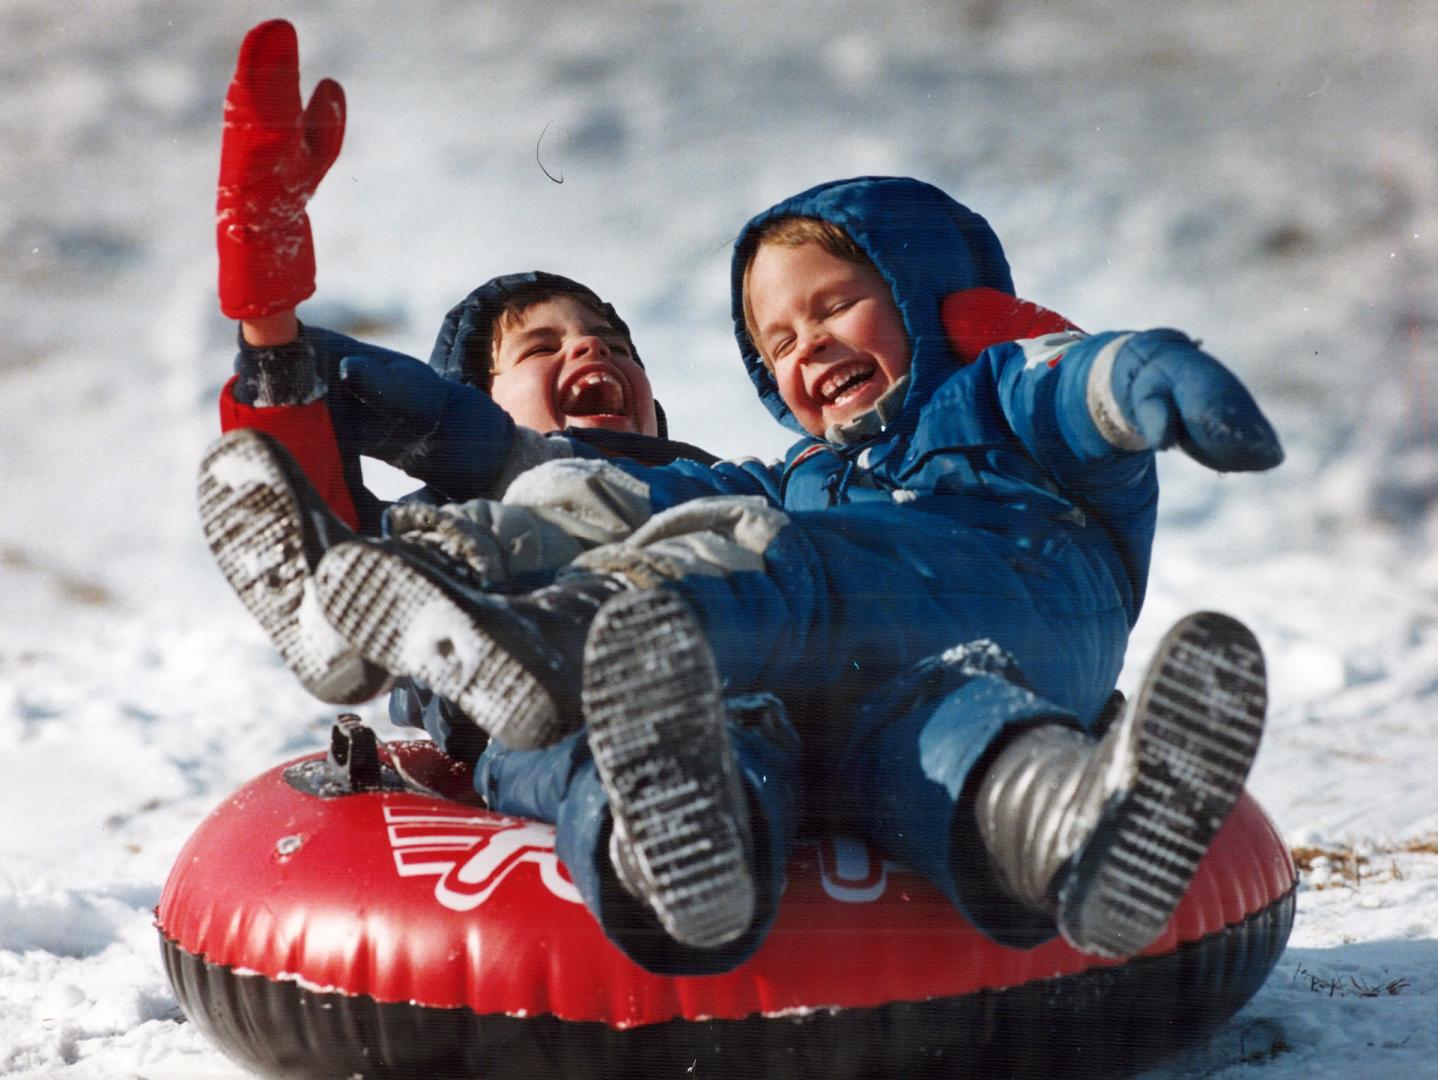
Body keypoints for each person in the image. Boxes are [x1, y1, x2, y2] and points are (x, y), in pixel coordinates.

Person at [246, 175, 1280, 972]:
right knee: (870, 733)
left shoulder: (855, 449)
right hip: (825, 675)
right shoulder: (773, 473)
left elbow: (1065, 376)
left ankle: (528, 627)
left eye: (837, 307)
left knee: (736, 554)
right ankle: (1055, 823)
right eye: (780, 337)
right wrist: (285, 355)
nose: (810, 344)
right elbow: (436, 445)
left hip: (969, 587)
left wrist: (1147, 373)